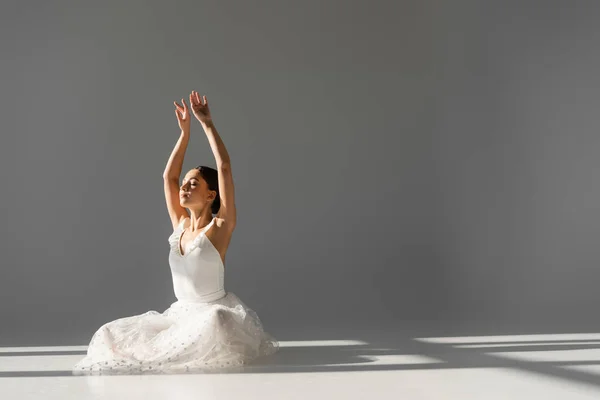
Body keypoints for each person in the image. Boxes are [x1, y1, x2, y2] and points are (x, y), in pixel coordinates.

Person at [73, 91, 279, 374]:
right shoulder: (179, 226)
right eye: (185, 183)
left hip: (211, 313)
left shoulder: (219, 227)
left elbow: (225, 168)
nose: (184, 187)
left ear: (210, 195)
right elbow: (168, 177)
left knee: (217, 320)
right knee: (110, 333)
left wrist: (207, 124)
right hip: (180, 315)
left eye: (193, 184)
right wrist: (184, 134)